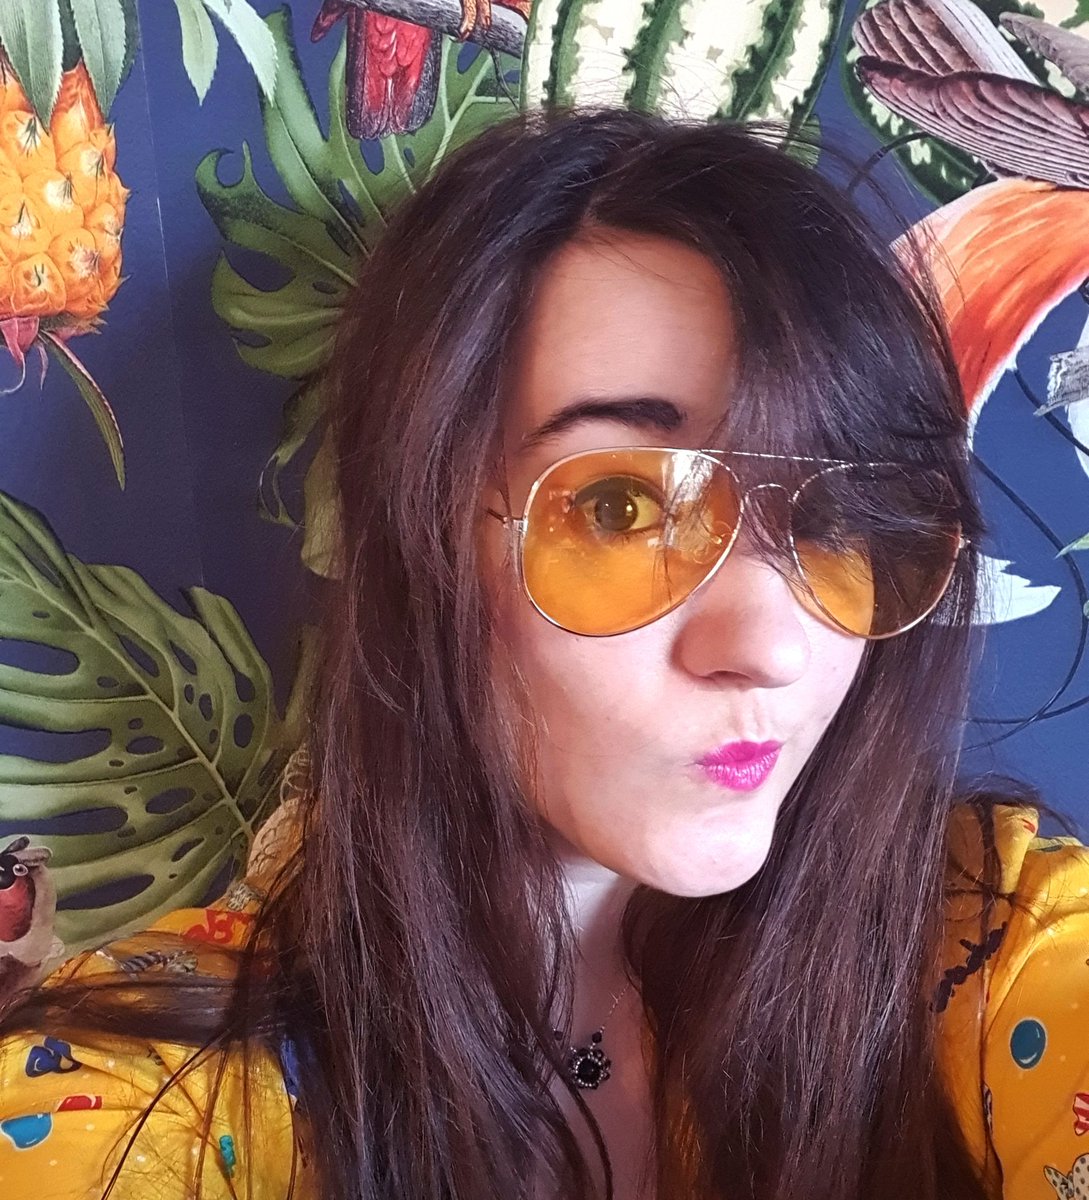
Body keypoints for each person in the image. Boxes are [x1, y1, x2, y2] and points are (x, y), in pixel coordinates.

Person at [1, 106, 1087, 1200]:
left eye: (837, 517)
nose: (773, 647)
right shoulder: (149, 1106)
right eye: (621, 508)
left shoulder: (984, 940)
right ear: (420, 549)